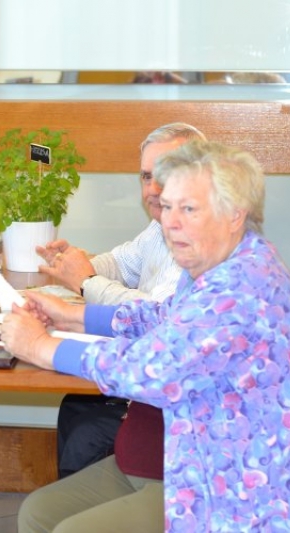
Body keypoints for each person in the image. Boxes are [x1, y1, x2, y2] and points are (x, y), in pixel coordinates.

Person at [4, 141, 290, 532]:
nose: (170, 222)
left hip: (246, 499)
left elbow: (153, 372)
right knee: (38, 515)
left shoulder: (241, 287)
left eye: (188, 209)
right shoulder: (219, 264)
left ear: (234, 215)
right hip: (198, 460)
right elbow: (164, 318)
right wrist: (73, 315)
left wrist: (41, 347)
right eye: (167, 206)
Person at [36, 123, 207, 478]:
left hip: (176, 410)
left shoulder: (203, 243)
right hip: (145, 381)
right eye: (147, 176)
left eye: (166, 174)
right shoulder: (160, 227)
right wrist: (75, 264)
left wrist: (85, 282)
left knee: (86, 429)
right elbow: (123, 264)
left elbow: (152, 317)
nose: (154, 188)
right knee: (76, 406)